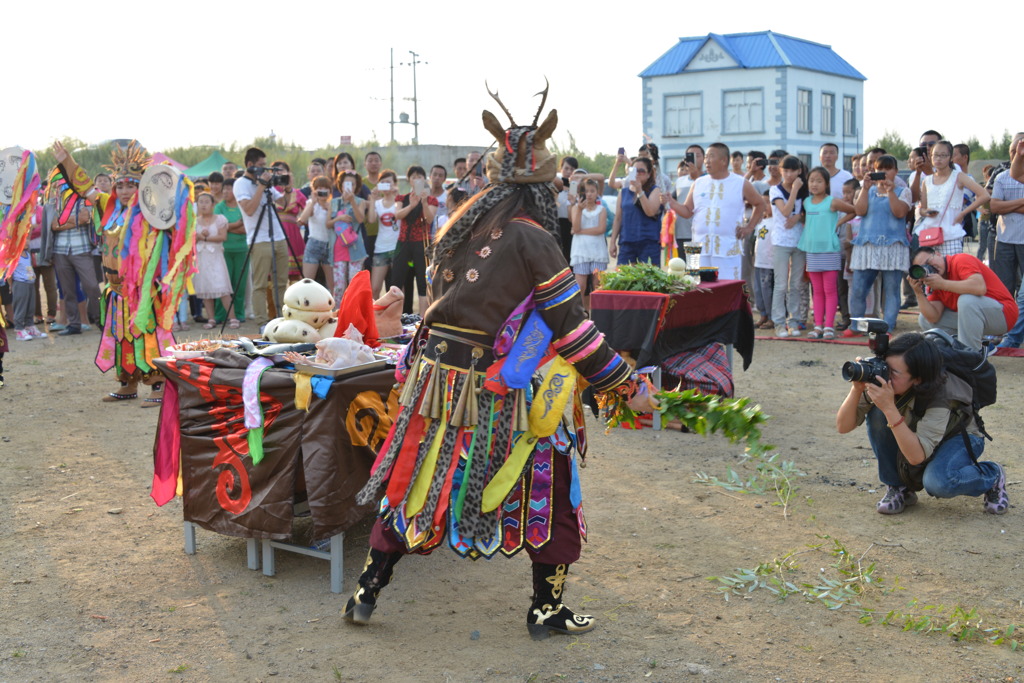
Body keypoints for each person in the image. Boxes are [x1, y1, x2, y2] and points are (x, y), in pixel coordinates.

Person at [344, 91, 633, 639]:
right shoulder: (536, 238)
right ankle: (545, 610)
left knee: (417, 481)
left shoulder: (459, 225)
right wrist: (624, 382)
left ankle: (366, 590)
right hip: (502, 388)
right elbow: (571, 327)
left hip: (437, 382)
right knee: (549, 481)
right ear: (545, 188)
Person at [836, 332, 1007, 515]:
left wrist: (889, 408)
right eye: (886, 366)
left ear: (917, 379)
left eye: (894, 373)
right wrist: (856, 390)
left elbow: (917, 457)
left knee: (938, 482)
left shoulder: (942, 394)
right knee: (878, 412)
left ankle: (991, 475)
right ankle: (898, 487)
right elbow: (843, 426)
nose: (885, 375)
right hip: (916, 433)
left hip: (958, 436)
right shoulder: (883, 382)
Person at [668, 143, 764, 281]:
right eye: (705, 157)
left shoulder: (740, 183)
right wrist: (672, 203)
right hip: (697, 248)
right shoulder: (698, 183)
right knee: (696, 287)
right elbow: (688, 211)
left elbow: (760, 204)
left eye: (710, 157)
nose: (706, 161)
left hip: (727, 249)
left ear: (724, 161)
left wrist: (749, 227)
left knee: (727, 289)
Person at [847, 155, 912, 334]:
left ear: (896, 171)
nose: (884, 172)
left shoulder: (903, 191)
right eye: (879, 168)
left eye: (888, 168)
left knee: (891, 290)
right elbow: (859, 211)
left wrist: (890, 192)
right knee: (859, 289)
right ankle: (856, 327)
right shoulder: (865, 190)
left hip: (893, 246)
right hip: (867, 245)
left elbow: (900, 213)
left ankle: (887, 327)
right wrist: (865, 189)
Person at [909, 247, 1016, 351]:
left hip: (1004, 314)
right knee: (924, 319)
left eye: (929, 261)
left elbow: (979, 287)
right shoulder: (934, 280)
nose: (929, 267)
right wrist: (918, 293)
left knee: (966, 300)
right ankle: (961, 349)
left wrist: (943, 284)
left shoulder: (960, 260)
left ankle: (971, 355)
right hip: (977, 319)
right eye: (923, 267)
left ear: (938, 254)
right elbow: (933, 317)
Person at [798, 167, 856, 339]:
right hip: (812, 250)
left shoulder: (832, 201)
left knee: (830, 290)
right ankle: (818, 326)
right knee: (816, 291)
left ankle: (829, 326)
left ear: (826, 184)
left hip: (830, 250)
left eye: (819, 181)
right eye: (811, 180)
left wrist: (838, 223)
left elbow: (854, 210)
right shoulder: (807, 202)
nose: (814, 184)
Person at [234, 147, 289, 324]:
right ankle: (262, 322)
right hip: (259, 240)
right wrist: (261, 187)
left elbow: (283, 204)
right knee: (260, 284)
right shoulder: (240, 184)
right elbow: (249, 210)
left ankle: (282, 319)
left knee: (281, 282)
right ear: (250, 165)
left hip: (278, 237)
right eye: (261, 166)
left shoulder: (264, 183)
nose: (264, 171)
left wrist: (286, 188)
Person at [917, 141, 989, 256]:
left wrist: (963, 213)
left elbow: (984, 195)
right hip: (930, 234)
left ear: (950, 158)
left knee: (951, 270)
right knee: (929, 272)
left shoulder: (958, 176)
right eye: (935, 155)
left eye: (943, 155)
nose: (938, 159)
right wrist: (927, 212)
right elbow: (922, 209)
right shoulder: (927, 180)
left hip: (951, 234)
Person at [767, 155, 807, 336]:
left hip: (800, 241)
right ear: (781, 171)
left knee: (796, 284)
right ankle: (779, 323)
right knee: (781, 284)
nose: (789, 174)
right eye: (786, 170)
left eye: (793, 170)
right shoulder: (775, 190)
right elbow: (785, 211)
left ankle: (794, 321)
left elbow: (805, 212)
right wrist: (794, 190)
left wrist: (799, 216)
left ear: (799, 171)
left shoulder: (804, 189)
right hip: (781, 242)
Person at [391, 165, 438, 316]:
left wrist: (423, 203)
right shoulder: (402, 198)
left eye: (420, 177)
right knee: (398, 279)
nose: (417, 179)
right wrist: (411, 206)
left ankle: (422, 319)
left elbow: (429, 219)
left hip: (422, 244)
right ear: (409, 180)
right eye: (413, 177)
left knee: (423, 281)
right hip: (403, 242)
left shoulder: (431, 200)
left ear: (424, 179)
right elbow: (397, 215)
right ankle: (396, 316)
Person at [192, 193, 237, 329]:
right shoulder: (194, 221)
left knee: (222, 287)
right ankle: (211, 318)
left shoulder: (220, 219)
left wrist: (204, 238)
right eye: (201, 202)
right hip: (201, 257)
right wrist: (197, 237)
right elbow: (190, 239)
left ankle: (232, 318)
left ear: (213, 205)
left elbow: (223, 237)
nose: (203, 204)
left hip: (216, 256)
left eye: (206, 202)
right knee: (205, 288)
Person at [609, 157, 661, 265]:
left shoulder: (655, 190)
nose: (637, 173)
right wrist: (613, 241)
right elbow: (618, 218)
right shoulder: (623, 192)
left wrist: (640, 191)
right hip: (627, 242)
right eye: (634, 170)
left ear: (648, 174)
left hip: (648, 243)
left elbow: (650, 211)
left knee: (648, 279)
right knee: (623, 279)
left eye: (641, 171)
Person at [989, 132, 1024, 295]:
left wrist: (1006, 206)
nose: (1016, 154)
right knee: (1004, 287)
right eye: (1013, 151)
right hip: (1004, 238)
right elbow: (994, 207)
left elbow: (999, 205)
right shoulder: (1001, 177)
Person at [569, 178, 608, 312]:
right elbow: (575, 226)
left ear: (597, 192)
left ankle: (599, 312)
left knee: (598, 284)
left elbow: (601, 229)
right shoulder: (576, 208)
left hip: (598, 252)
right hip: (580, 252)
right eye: (586, 191)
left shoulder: (602, 209)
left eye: (592, 191)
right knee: (580, 285)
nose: (589, 194)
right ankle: (580, 314)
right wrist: (579, 210)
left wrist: (580, 231)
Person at [329, 170, 368, 302]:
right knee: (339, 286)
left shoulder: (360, 201)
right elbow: (328, 223)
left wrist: (352, 201)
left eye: (352, 183)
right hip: (338, 249)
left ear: (356, 186)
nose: (349, 186)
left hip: (355, 248)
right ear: (340, 184)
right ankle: (338, 315)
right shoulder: (333, 202)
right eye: (347, 183)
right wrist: (338, 218)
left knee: (354, 285)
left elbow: (361, 219)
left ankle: (354, 313)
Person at [214, 178, 248, 323]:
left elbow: (246, 228)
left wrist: (228, 226)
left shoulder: (243, 206)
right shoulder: (219, 207)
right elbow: (218, 226)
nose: (226, 192)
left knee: (239, 284)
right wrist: (236, 225)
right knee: (223, 285)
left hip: (241, 249)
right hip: (224, 250)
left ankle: (239, 314)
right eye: (224, 189)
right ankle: (221, 315)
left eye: (230, 189)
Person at [296, 176, 336, 295]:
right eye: (319, 188)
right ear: (314, 190)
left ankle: (334, 310)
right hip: (314, 243)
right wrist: (313, 202)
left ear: (330, 190)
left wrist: (329, 209)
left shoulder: (333, 204)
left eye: (325, 188)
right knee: (307, 282)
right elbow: (302, 220)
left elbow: (334, 226)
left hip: (329, 245)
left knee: (332, 284)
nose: (322, 191)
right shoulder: (311, 204)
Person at [365, 169, 400, 297]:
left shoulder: (400, 201)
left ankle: (398, 314)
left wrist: (398, 195)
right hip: (380, 248)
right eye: (383, 183)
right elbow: (371, 219)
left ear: (395, 184)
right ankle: (373, 314)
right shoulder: (378, 203)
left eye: (389, 182)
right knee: (374, 288)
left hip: (397, 247)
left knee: (397, 287)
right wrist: (373, 199)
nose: (386, 186)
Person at [10, 250, 47, 340]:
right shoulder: (14, 255)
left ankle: (29, 326)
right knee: (20, 306)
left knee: (30, 306)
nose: (27, 241)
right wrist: (11, 286)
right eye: (24, 239)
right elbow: (10, 271)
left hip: (30, 283)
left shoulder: (27, 254)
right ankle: (19, 329)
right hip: (20, 283)